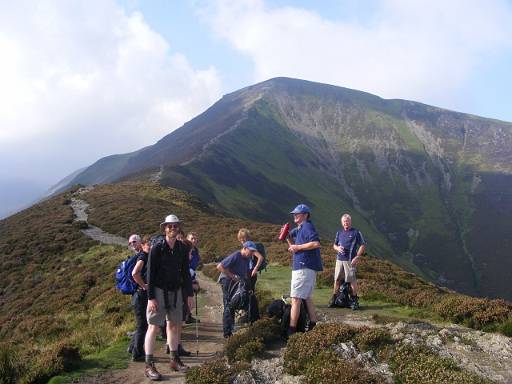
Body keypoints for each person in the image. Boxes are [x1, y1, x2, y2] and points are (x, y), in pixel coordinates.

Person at [143, 214, 194, 380]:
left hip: (177, 291)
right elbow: (150, 274)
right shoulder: (157, 248)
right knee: (154, 327)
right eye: (169, 226)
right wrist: (151, 298)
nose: (172, 228)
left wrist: (189, 295)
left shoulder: (182, 248)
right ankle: (149, 365)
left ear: (179, 228)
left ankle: (174, 360)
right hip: (158, 291)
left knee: (174, 325)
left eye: (175, 226)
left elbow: (186, 273)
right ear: (164, 228)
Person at [287, 204, 322, 337]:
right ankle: (313, 324)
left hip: (303, 267)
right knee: (307, 298)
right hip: (306, 267)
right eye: (294, 214)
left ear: (305, 215)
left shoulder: (307, 226)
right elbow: (292, 243)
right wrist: (288, 238)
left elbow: (316, 243)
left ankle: (291, 330)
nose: (295, 215)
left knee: (295, 299)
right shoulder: (300, 228)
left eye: (298, 213)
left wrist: (298, 247)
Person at [216, 241, 258, 338]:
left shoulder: (247, 259)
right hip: (227, 281)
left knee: (246, 300)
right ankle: (227, 333)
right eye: (251, 251)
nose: (252, 253)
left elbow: (245, 273)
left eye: (253, 252)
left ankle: (250, 326)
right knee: (229, 305)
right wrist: (233, 276)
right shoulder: (236, 255)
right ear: (245, 248)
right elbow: (220, 267)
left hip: (236, 282)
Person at [329, 213, 366, 310]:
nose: (346, 223)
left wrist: (357, 256)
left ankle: (354, 300)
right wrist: (337, 248)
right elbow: (334, 245)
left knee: (352, 281)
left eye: (347, 221)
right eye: (344, 221)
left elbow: (362, 245)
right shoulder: (339, 233)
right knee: (337, 279)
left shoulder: (356, 232)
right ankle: (334, 298)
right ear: (342, 223)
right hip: (339, 260)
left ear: (350, 222)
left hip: (350, 261)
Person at [129, 235, 150, 362]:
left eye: (151, 244)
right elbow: (134, 273)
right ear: (142, 245)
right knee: (143, 325)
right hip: (140, 295)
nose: (150, 246)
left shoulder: (144, 256)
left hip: (139, 295)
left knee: (142, 324)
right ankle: (137, 353)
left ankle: (132, 348)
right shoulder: (143, 257)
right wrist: (144, 286)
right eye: (148, 244)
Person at [185, 232, 201, 324]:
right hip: (185, 277)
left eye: (195, 238)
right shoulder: (185, 250)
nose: (194, 240)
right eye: (192, 238)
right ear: (187, 239)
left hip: (191, 275)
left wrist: (194, 279)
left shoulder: (195, 251)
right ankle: (184, 318)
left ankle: (188, 316)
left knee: (189, 297)